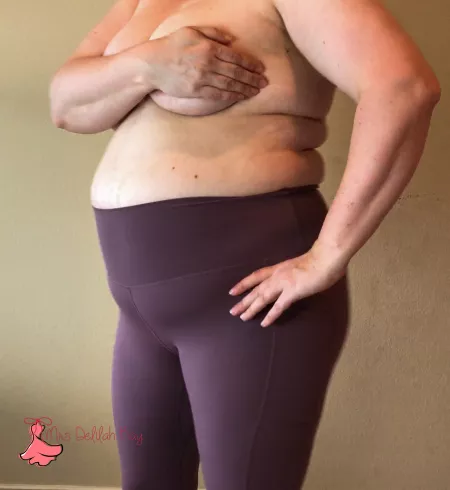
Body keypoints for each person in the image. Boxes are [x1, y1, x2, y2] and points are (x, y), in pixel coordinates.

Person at [49, 0, 441, 488]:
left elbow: (405, 87)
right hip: (139, 313)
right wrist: (148, 63)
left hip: (248, 300)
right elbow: (65, 104)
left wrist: (327, 256)